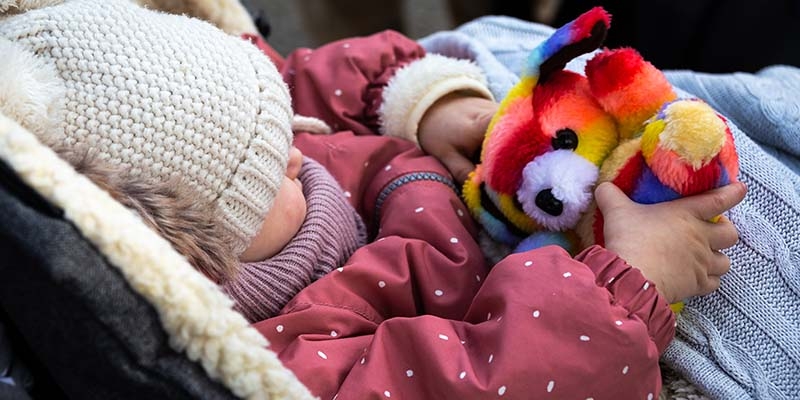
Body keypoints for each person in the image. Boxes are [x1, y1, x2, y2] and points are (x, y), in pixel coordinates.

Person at [0, 0, 746, 398]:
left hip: (492, 182)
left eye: (279, 121)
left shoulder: (247, 121)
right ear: (203, 258)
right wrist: (630, 282)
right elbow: (490, 383)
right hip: (552, 308)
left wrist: (427, 101)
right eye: (267, 169)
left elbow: (296, 74)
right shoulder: (300, 352)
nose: (299, 144)